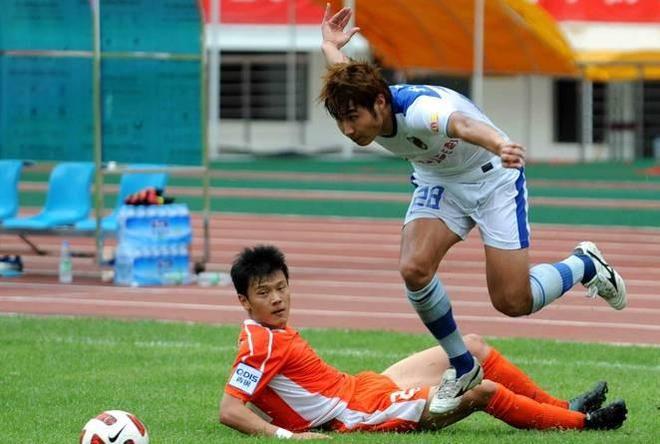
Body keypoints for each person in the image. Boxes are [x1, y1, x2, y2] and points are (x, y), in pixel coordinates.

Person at [318, 4, 627, 413]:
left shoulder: (420, 111)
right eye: (340, 121)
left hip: (493, 176)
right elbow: (344, 76)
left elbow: (463, 125)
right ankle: (463, 365)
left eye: (352, 119)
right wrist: (330, 46)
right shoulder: (360, 96)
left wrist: (500, 144)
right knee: (413, 268)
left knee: (513, 301)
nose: (348, 130)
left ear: (379, 103)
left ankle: (585, 264)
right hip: (438, 179)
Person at [218, 245, 628, 439]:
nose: (277, 299)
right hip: (357, 412)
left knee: (471, 347)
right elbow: (230, 410)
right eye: (264, 293)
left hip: (362, 386)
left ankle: (563, 407)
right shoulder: (260, 342)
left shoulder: (267, 333)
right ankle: (585, 423)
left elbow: (266, 392)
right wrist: (290, 437)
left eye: (281, 287)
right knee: (481, 390)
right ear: (244, 301)